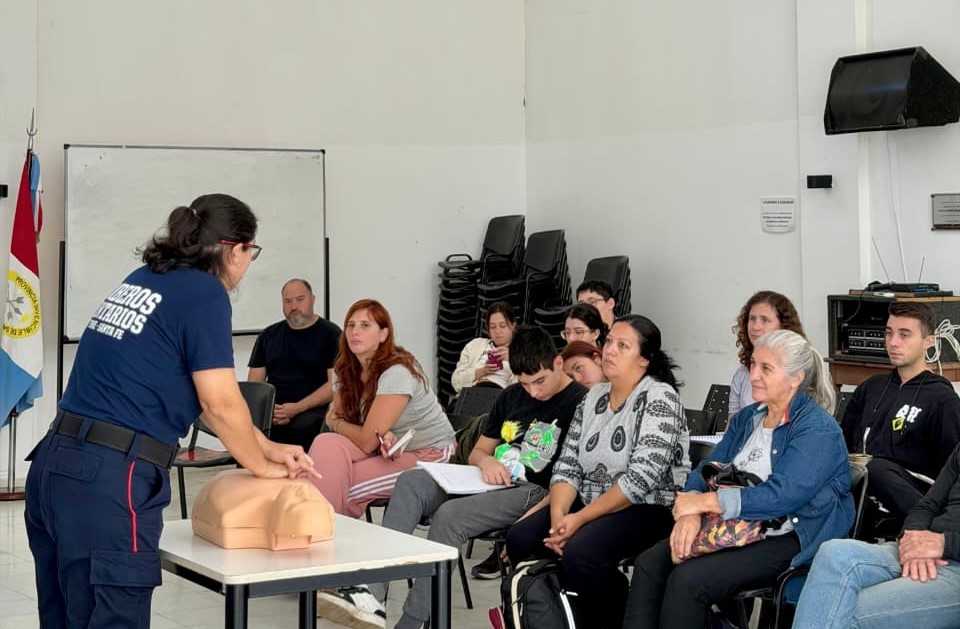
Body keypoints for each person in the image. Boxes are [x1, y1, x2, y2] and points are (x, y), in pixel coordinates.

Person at [24, 194, 318, 629]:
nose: (248, 263)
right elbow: (217, 402)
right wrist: (261, 466)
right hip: (109, 480)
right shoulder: (205, 293)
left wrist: (269, 447)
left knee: (65, 618)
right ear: (234, 249)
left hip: (55, 466)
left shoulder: (145, 278)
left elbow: (215, 402)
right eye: (251, 252)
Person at [339, 326, 586, 629]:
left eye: (539, 381)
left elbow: (572, 475)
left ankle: (413, 620)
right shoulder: (511, 396)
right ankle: (372, 595)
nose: (533, 391)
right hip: (489, 480)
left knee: (450, 515)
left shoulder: (580, 402)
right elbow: (479, 451)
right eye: (525, 383)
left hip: (535, 490)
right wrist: (486, 463)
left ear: (558, 363)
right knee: (411, 482)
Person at [622, 330, 853, 629]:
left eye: (766, 368)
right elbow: (707, 467)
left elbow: (781, 496)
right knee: (650, 564)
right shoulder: (749, 417)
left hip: (788, 536)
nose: (753, 375)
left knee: (689, 581)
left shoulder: (817, 430)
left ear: (795, 378)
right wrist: (690, 515)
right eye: (753, 365)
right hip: (731, 525)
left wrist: (705, 502)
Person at [507, 315, 690, 629]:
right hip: (592, 502)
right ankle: (560, 618)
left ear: (644, 359)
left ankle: (618, 615)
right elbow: (568, 465)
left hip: (647, 506)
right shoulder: (592, 397)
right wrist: (558, 519)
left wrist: (578, 520)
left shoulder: (660, 398)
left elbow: (639, 481)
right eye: (608, 342)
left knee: (582, 552)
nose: (610, 351)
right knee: (521, 537)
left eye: (623, 346)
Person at [308, 299, 456, 519]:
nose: (355, 332)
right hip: (388, 448)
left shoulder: (397, 372)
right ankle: (316, 529)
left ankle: (326, 535)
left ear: (383, 335)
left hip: (430, 453)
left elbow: (359, 434)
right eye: (351, 325)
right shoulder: (345, 368)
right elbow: (357, 427)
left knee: (343, 486)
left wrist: (337, 424)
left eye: (365, 326)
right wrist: (376, 433)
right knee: (325, 444)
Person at [792, 442, 960, 629]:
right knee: (835, 552)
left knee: (837, 608)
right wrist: (915, 538)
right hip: (925, 549)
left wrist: (945, 543)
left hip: (954, 565)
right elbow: (927, 505)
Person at [840, 301, 960, 534]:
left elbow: (953, 470)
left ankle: (931, 531)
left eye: (905, 335)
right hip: (862, 487)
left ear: (928, 341)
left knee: (876, 468)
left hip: (918, 496)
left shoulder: (942, 399)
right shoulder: (870, 388)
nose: (893, 342)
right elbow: (841, 444)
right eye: (889, 333)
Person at [247, 278, 342, 451]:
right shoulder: (268, 336)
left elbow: (334, 386)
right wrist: (269, 412)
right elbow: (255, 385)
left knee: (302, 427)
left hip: (313, 411)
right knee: (247, 429)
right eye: (288, 301)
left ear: (312, 300)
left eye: (300, 299)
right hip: (275, 412)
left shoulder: (331, 334)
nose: (293, 307)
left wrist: (297, 408)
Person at [729, 290, 806, 416]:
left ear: (783, 326)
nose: (755, 327)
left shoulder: (797, 372)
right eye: (752, 319)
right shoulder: (742, 374)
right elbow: (732, 429)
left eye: (764, 320)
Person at [450, 301, 518, 393]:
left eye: (502, 326)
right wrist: (481, 372)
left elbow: (526, 388)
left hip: (501, 397)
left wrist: (514, 359)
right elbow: (456, 381)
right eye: (493, 327)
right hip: (472, 392)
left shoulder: (522, 352)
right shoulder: (475, 346)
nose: (498, 331)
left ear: (513, 326)